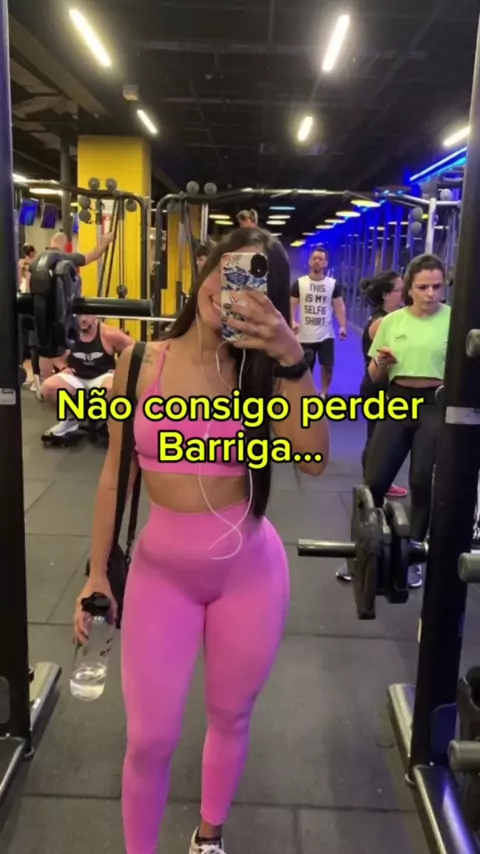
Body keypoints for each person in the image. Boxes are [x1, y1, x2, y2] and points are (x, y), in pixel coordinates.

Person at [73, 226, 329, 854]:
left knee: (231, 715)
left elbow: (315, 458)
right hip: (162, 574)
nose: (231, 289)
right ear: (203, 272)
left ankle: (208, 837)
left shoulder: (263, 373)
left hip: (249, 573)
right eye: (226, 269)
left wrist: (291, 356)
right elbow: (115, 475)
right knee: (149, 739)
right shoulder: (140, 363)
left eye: (253, 281)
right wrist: (97, 572)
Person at [363, 254, 450, 589]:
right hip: (398, 399)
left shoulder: (455, 321)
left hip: (436, 402)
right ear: (409, 288)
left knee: (422, 480)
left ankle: (412, 557)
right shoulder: (392, 322)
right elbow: (374, 375)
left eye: (437, 286)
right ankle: (363, 551)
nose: (431, 293)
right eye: (423, 287)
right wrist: (382, 363)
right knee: (375, 479)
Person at [28, 230, 115, 385]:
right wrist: (106, 241)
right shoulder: (66, 257)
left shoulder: (35, 262)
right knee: (59, 344)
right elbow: (94, 255)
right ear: (64, 245)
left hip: (39, 315)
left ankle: (45, 385)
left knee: (44, 349)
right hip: (60, 315)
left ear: (51, 243)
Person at [41, 316, 132, 441]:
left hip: (102, 376)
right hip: (76, 377)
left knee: (113, 388)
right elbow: (51, 353)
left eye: (87, 315)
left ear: (96, 315)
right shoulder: (68, 332)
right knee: (48, 387)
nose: (83, 319)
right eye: (80, 315)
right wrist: (63, 367)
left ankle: (111, 423)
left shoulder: (109, 334)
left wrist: (121, 370)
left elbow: (135, 350)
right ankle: (70, 420)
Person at [290, 247, 347, 398]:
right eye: (314, 258)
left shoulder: (332, 284)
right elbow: (291, 304)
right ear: (310, 261)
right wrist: (292, 321)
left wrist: (342, 326)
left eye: (320, 259)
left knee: (327, 366)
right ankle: (306, 393)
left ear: (325, 263)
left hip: (325, 334)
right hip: (305, 334)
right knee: (305, 368)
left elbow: (339, 306)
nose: (317, 261)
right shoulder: (299, 283)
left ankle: (323, 393)